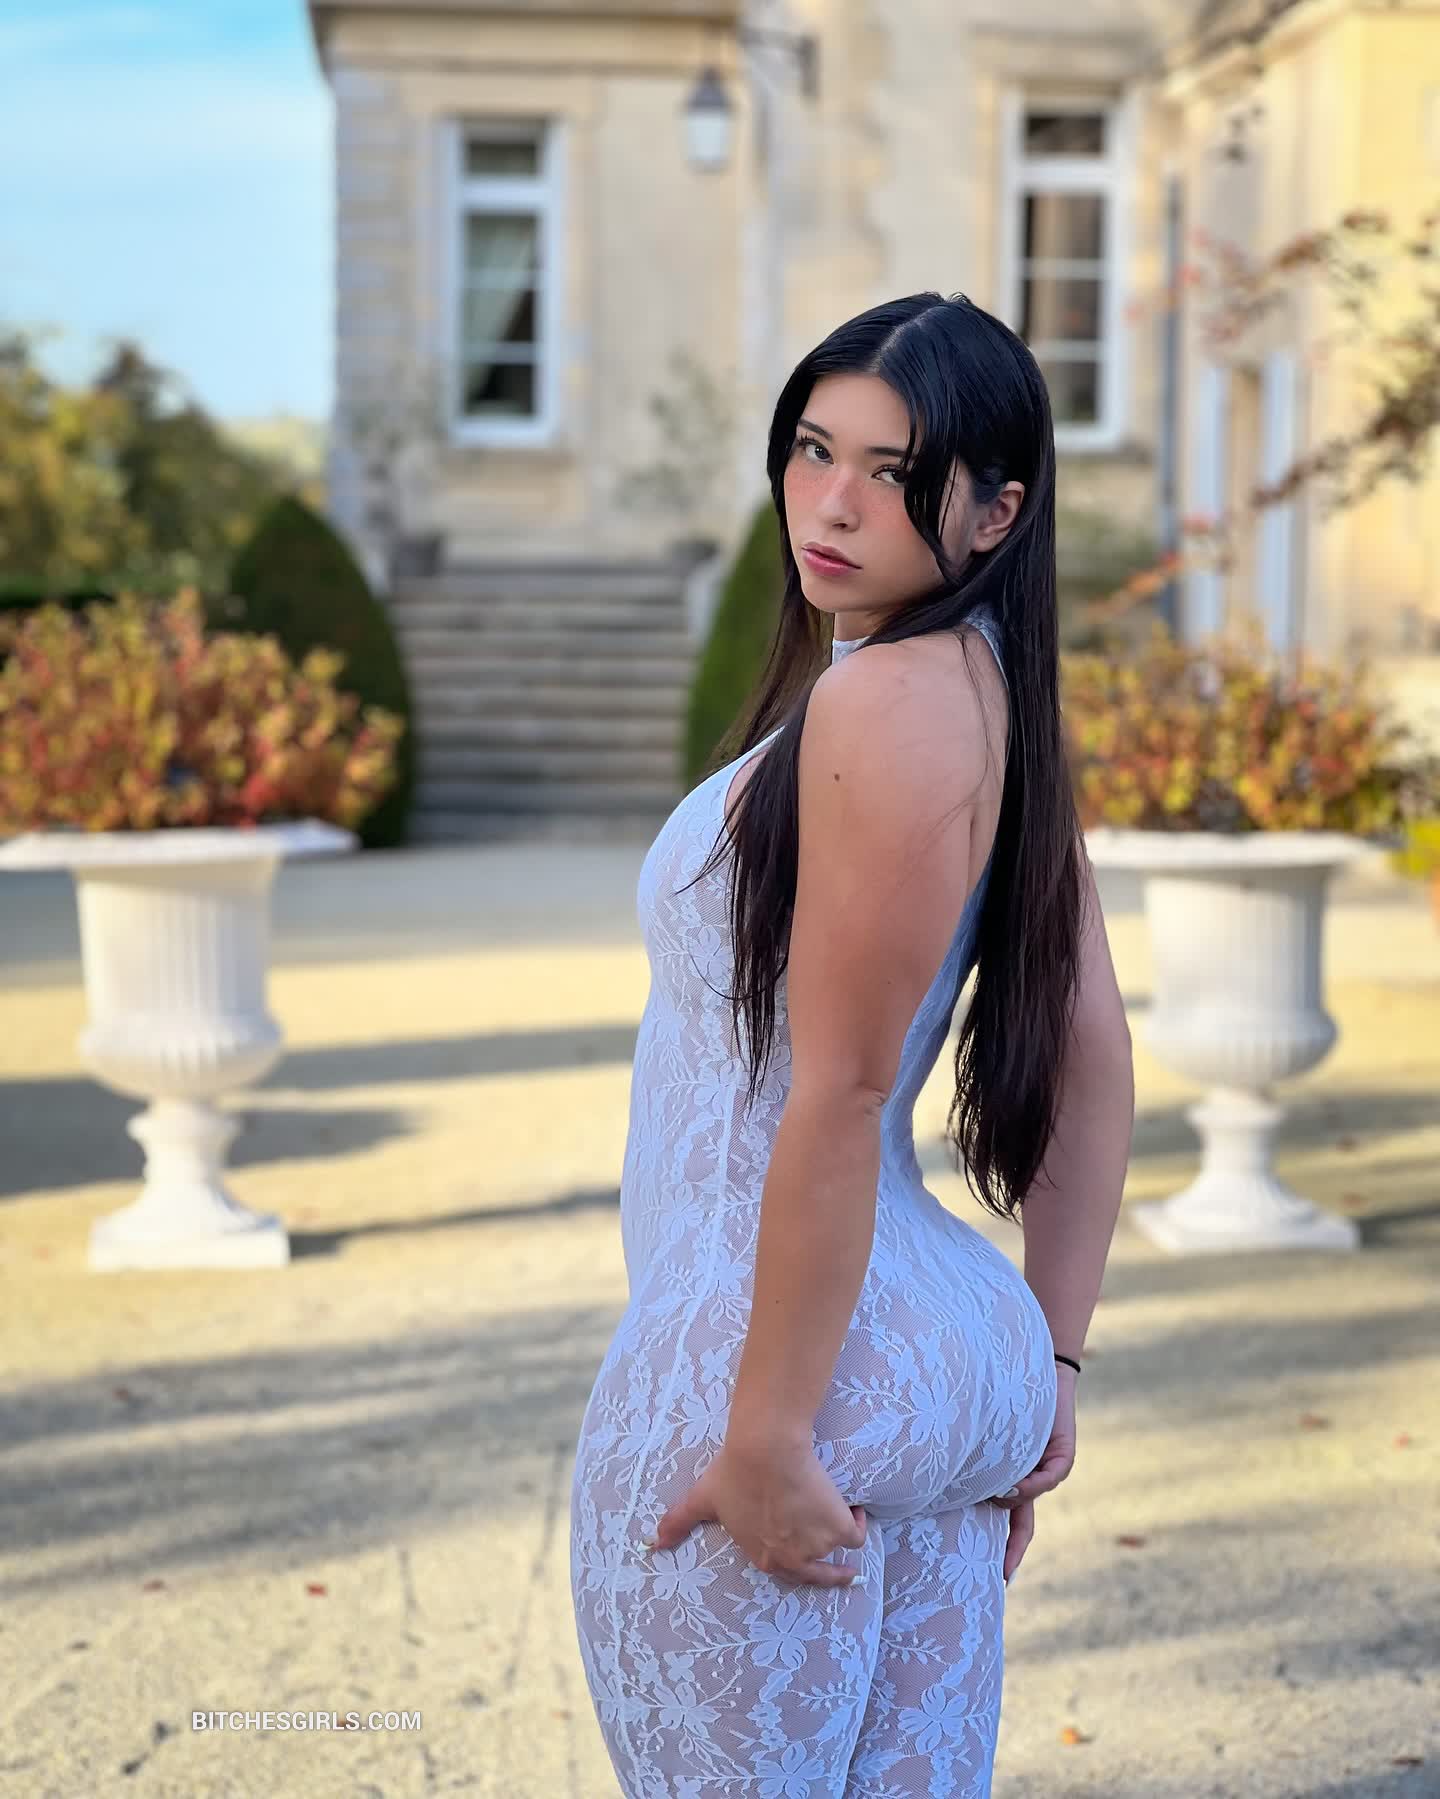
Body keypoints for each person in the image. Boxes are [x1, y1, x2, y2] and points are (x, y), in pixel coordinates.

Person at [569, 291, 1134, 1797]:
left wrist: (763, 1426)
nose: (831, 503)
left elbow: (840, 1087)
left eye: (894, 474)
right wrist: (1050, 1361)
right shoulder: (990, 697)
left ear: (999, 512)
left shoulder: (884, 702)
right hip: (938, 1351)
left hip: (770, 1354)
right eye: (815, 449)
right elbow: (1093, 1054)